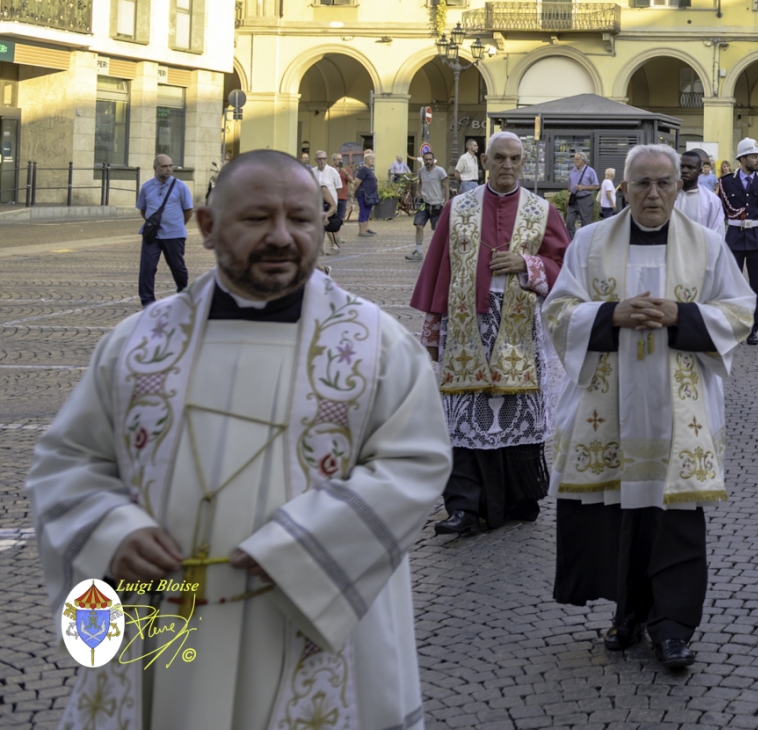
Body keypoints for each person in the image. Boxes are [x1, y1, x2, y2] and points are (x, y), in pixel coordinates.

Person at [29, 150, 451, 730]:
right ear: (206, 226)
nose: (282, 237)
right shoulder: (140, 342)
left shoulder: (375, 345)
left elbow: (415, 462)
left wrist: (306, 546)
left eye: (302, 219)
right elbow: (68, 460)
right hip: (158, 616)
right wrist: (111, 532)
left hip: (306, 616)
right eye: (257, 219)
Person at [542, 143, 755, 672]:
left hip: (679, 407)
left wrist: (680, 315)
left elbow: (739, 310)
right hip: (607, 403)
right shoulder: (590, 242)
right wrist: (610, 314)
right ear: (625, 187)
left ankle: (673, 627)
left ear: (681, 186)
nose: (654, 193)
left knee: (676, 517)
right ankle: (628, 614)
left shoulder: (706, 244)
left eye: (664, 182)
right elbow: (558, 310)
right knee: (618, 514)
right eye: (643, 183)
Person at [410, 132, 569, 535]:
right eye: (500, 158)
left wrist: (526, 263)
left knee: (516, 412)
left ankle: (519, 498)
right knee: (463, 415)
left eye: (515, 159)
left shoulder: (542, 210)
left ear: (523, 163)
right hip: (466, 326)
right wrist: (431, 331)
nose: (508, 166)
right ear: (486, 161)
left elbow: (564, 267)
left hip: (520, 327)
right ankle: (463, 507)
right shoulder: (457, 208)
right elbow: (438, 270)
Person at [720, 138, 758, 345]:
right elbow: (720, 214)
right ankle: (735, 325)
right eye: (754, 156)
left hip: (757, 239)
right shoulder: (726, 182)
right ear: (742, 158)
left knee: (757, 288)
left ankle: (752, 328)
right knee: (732, 287)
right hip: (734, 239)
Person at [135, 154, 194, 307]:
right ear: (155, 168)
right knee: (147, 268)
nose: (169, 169)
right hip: (152, 235)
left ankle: (183, 293)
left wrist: (177, 225)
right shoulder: (147, 187)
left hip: (174, 234)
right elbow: (143, 209)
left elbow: (188, 211)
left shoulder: (180, 186)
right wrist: (153, 224)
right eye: (164, 166)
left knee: (177, 267)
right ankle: (147, 300)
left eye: (170, 166)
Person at [406, 147, 450, 261]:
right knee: (419, 226)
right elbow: (419, 182)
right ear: (424, 160)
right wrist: (418, 192)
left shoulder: (440, 171)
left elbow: (446, 186)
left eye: (430, 159)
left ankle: (441, 253)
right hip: (424, 203)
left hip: (437, 204)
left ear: (433, 160)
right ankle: (419, 252)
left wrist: (446, 202)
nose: (428, 161)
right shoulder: (421, 171)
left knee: (438, 230)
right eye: (426, 159)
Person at [674, 149, 727, 239]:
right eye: (682, 167)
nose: (685, 171)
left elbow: (717, 234)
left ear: (700, 171)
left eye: (690, 167)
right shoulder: (666, 196)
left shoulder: (711, 200)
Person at [312, 150, 344, 255]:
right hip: (317, 202)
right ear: (315, 160)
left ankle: (334, 246)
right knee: (320, 224)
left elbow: (338, 188)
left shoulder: (332, 171)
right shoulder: (312, 171)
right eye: (319, 159)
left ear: (326, 160)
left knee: (327, 223)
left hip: (330, 203)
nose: (322, 161)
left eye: (324, 159)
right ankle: (320, 248)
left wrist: (331, 197)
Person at [566, 152, 600, 231]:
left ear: (583, 160)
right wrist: (567, 197)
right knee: (569, 222)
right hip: (573, 199)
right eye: (574, 159)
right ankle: (572, 242)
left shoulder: (590, 171)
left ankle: (583, 242)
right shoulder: (573, 170)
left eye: (577, 159)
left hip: (585, 200)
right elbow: (569, 184)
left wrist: (583, 187)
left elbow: (596, 186)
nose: (574, 161)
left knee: (585, 224)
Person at [353, 150, 379, 237]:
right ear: (366, 160)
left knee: (367, 213)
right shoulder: (363, 169)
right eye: (371, 159)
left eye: (373, 159)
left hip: (370, 195)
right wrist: (353, 193)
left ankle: (365, 229)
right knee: (363, 212)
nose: (373, 160)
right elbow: (356, 182)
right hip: (363, 195)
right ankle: (362, 232)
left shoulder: (369, 169)